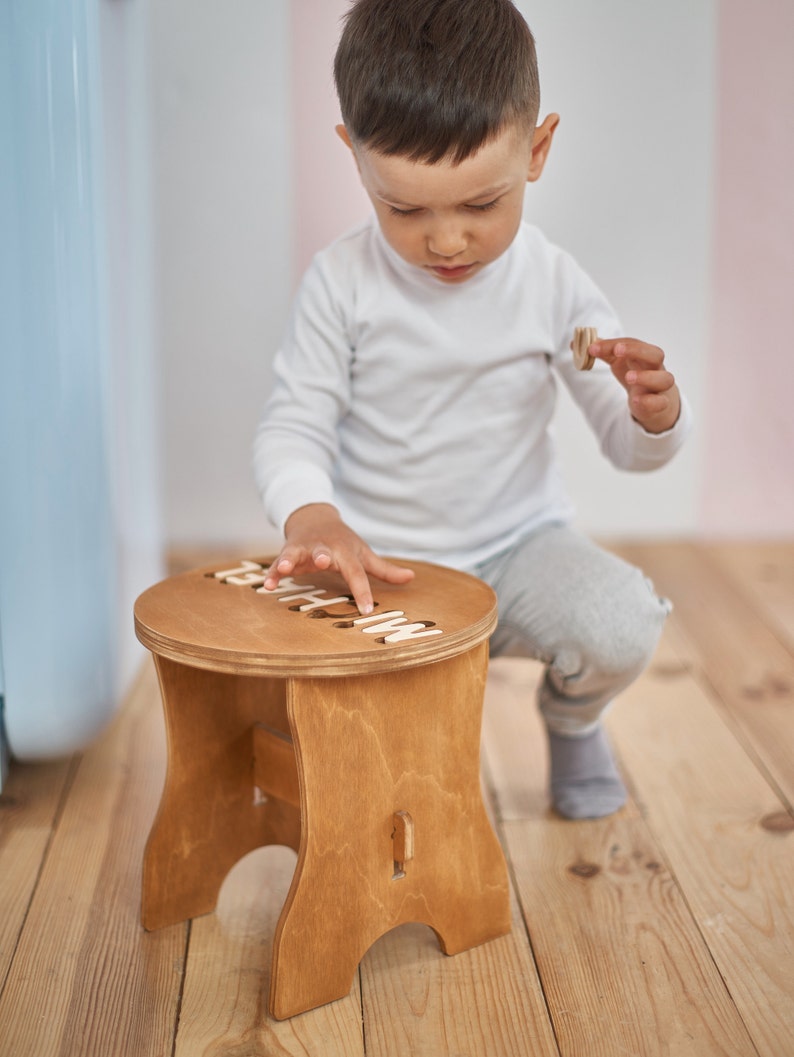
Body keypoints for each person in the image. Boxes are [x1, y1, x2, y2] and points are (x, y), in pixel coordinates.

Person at [252, 0, 691, 820]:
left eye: (480, 206)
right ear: (355, 159)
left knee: (622, 620)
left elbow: (625, 448)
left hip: (520, 546)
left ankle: (574, 719)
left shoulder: (557, 285)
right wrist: (311, 515)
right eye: (405, 209)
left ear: (537, 150)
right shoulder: (342, 284)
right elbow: (293, 423)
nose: (446, 242)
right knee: (353, 756)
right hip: (382, 569)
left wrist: (654, 417)